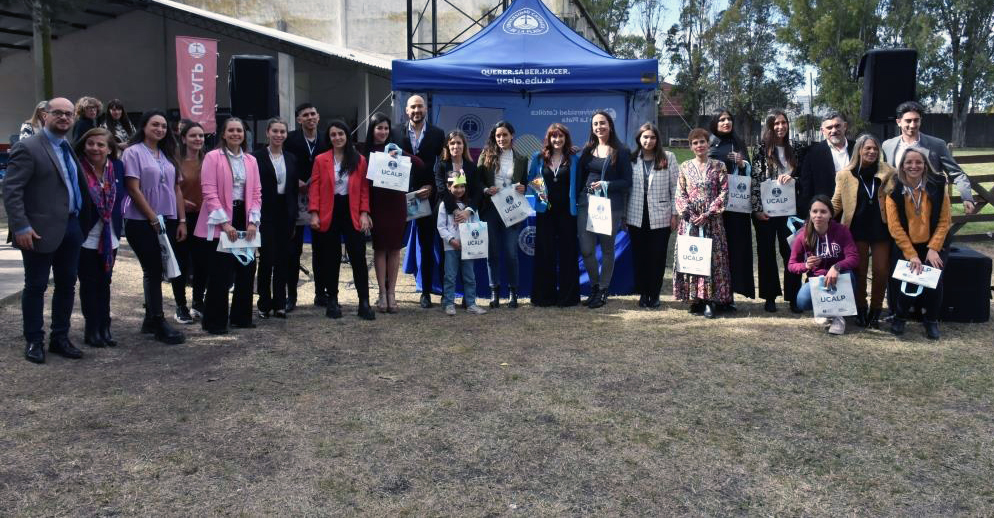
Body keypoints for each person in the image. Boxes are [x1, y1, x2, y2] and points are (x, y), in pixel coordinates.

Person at [3, 97, 90, 363]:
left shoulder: (67, 147)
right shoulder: (28, 148)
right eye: (58, 113)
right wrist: (21, 226)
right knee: (36, 286)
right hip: (37, 231)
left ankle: (60, 338)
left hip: (71, 227)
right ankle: (34, 340)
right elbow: (11, 190)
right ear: (44, 116)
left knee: (66, 284)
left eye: (68, 114)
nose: (64, 118)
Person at [121, 110, 187, 345]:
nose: (160, 129)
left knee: (159, 268)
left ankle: (150, 319)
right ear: (144, 126)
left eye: (163, 126)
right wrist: (152, 218)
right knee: (152, 269)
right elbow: (133, 188)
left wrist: (181, 220)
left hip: (167, 219)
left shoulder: (168, 154)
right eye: (155, 125)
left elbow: (177, 189)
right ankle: (159, 321)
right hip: (141, 221)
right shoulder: (133, 152)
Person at [194, 117, 262, 334]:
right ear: (223, 134)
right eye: (231, 130)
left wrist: (252, 222)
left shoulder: (251, 160)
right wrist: (225, 224)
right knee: (221, 272)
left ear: (244, 134)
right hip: (220, 220)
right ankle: (215, 321)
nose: (235, 134)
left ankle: (241, 318)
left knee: (246, 268)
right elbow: (209, 192)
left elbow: (256, 193)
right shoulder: (212, 157)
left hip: (244, 217)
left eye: (239, 130)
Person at [308, 119, 375, 320]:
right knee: (330, 257)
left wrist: (364, 212)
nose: (337, 138)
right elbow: (315, 188)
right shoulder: (321, 159)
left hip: (352, 210)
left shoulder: (359, 159)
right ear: (329, 138)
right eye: (333, 135)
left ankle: (364, 302)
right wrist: (314, 213)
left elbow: (364, 189)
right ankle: (332, 300)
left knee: (358, 256)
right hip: (329, 210)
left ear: (347, 136)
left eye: (341, 134)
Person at [360, 112, 424, 313]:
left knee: (395, 249)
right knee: (380, 249)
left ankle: (392, 293)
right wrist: (365, 211)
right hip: (377, 206)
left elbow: (420, 165)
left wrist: (401, 154)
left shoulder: (396, 151)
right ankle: (381, 293)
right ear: (372, 130)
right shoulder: (365, 152)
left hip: (397, 205)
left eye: (386, 128)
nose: (383, 132)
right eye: (379, 128)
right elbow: (363, 183)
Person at [885, 147, 952, 340]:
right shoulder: (893, 188)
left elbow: (944, 220)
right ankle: (900, 317)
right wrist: (911, 254)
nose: (914, 166)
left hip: (934, 245)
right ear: (902, 166)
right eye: (909, 162)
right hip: (907, 244)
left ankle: (931, 320)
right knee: (907, 279)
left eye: (918, 162)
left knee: (933, 280)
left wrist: (933, 248)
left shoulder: (938, 184)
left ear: (925, 165)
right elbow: (895, 226)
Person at [831, 133, 896, 329]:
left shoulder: (889, 172)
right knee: (859, 271)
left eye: (875, 149)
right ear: (859, 150)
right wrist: (819, 219)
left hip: (881, 229)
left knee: (881, 271)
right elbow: (836, 202)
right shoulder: (844, 174)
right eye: (867, 148)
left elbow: (895, 199)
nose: (872, 151)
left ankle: (876, 310)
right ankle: (860, 308)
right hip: (856, 229)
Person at [391, 95, 445, 308]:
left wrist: (432, 186)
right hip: (398, 196)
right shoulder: (395, 132)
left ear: (426, 110)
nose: (416, 110)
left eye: (420, 106)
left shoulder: (438, 134)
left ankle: (427, 292)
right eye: (413, 107)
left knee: (427, 244)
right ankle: (389, 292)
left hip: (426, 196)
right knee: (393, 245)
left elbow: (441, 165)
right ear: (406, 110)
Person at [673, 128, 732, 318]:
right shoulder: (684, 167)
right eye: (695, 143)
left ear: (708, 144)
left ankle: (710, 300)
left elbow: (724, 192)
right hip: (691, 223)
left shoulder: (719, 166)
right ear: (691, 147)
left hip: (712, 223)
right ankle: (695, 299)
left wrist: (708, 213)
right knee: (693, 259)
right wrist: (690, 214)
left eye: (702, 142)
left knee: (712, 261)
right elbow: (680, 193)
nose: (699, 145)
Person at [74, 128, 125, 348]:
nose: (95, 148)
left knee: (105, 282)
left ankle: (105, 326)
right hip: (86, 235)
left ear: (110, 149)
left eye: (101, 144)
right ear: (84, 146)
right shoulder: (77, 169)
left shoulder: (118, 168)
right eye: (91, 144)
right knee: (89, 283)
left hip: (109, 235)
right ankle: (92, 328)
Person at [576, 110, 632, 309]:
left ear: (610, 126)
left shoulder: (621, 150)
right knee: (587, 250)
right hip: (586, 204)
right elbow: (579, 174)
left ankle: (603, 290)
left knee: (608, 250)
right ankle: (594, 287)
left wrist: (605, 184)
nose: (599, 127)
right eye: (595, 124)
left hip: (610, 206)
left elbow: (627, 182)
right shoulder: (587, 150)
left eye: (602, 123)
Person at [752, 109, 805, 313]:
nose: (780, 127)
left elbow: (804, 177)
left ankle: (794, 297)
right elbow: (755, 180)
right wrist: (757, 209)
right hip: (765, 212)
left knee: (791, 252)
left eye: (783, 123)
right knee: (766, 253)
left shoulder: (797, 149)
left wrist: (795, 179)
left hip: (791, 211)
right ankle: (770, 296)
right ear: (769, 126)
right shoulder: (761, 149)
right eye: (775, 123)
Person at [882, 101, 976, 215]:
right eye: (908, 121)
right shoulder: (888, 145)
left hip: (930, 207)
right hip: (898, 207)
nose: (912, 125)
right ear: (898, 122)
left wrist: (967, 197)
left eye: (916, 120)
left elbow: (957, 174)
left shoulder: (937, 145)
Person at [787, 194, 860, 335]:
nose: (818, 215)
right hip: (818, 279)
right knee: (801, 301)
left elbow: (854, 258)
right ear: (809, 213)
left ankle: (838, 317)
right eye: (815, 211)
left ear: (831, 214)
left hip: (840, 277)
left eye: (823, 211)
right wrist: (806, 266)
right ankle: (825, 310)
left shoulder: (842, 230)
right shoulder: (803, 235)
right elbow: (791, 264)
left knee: (849, 275)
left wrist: (837, 266)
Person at [476, 121, 528, 308]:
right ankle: (494, 292)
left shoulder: (522, 158)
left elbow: (524, 183)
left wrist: (524, 187)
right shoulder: (486, 155)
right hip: (490, 210)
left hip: (512, 210)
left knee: (511, 252)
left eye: (504, 135)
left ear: (512, 135)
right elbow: (477, 182)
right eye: (498, 136)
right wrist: (485, 190)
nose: (501, 139)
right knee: (493, 252)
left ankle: (513, 292)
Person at [626, 122, 678, 309]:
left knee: (657, 257)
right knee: (640, 257)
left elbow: (675, 188)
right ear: (639, 139)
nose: (649, 140)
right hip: (635, 215)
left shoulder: (668, 158)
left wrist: (675, 214)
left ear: (657, 139)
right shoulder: (632, 159)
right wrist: (624, 216)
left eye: (652, 137)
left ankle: (654, 294)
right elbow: (626, 190)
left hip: (661, 215)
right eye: (645, 137)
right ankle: (643, 293)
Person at [529, 123, 580, 307]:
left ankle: (568, 297)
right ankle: (544, 297)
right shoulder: (538, 157)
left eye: (560, 136)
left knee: (568, 254)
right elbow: (532, 179)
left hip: (568, 213)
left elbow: (579, 182)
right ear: (548, 139)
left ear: (566, 138)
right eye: (553, 136)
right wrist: (542, 197)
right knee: (545, 254)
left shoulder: (573, 158)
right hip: (546, 212)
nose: (557, 140)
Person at [708, 109, 754, 309]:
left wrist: (743, 163)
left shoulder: (739, 143)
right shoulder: (708, 143)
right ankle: (711, 296)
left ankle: (729, 297)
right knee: (715, 251)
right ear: (714, 123)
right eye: (721, 119)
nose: (726, 122)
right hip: (714, 207)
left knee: (735, 250)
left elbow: (751, 172)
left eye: (729, 119)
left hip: (736, 207)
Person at [253, 118, 299, 319]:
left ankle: (280, 302)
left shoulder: (291, 158)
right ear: (268, 133)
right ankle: (264, 302)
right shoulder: (256, 157)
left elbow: (294, 190)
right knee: (267, 258)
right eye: (275, 131)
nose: (279, 135)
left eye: (283, 132)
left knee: (284, 259)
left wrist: (294, 217)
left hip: (285, 213)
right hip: (265, 212)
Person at [284, 103, 329, 309]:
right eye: (305, 115)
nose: (310, 117)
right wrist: (295, 182)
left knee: (321, 250)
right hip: (294, 198)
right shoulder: (289, 139)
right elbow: (281, 163)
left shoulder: (326, 138)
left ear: (318, 117)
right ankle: (291, 296)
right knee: (293, 250)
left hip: (320, 200)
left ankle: (321, 294)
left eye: (313, 113)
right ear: (299, 119)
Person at [436, 172, 488, 316]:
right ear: (448, 187)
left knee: (469, 276)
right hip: (451, 248)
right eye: (456, 186)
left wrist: (470, 240)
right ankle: (449, 303)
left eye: (462, 186)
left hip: (468, 248)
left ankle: (471, 303)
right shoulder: (444, 206)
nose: (459, 190)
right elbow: (441, 227)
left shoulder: (470, 207)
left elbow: (476, 225)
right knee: (450, 276)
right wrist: (451, 240)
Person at [176, 121, 209, 320]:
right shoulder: (175, 161)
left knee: (202, 262)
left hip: (204, 218)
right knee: (180, 263)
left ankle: (198, 301)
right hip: (181, 217)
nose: (198, 139)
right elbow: (170, 188)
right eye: (193, 136)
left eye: (201, 136)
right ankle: (181, 305)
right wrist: (180, 202)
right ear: (183, 139)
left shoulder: (209, 159)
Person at [798, 111, 854, 215]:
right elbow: (806, 188)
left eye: (838, 126)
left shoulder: (857, 149)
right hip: (826, 214)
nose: (834, 130)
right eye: (829, 127)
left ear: (845, 126)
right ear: (822, 131)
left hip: (856, 212)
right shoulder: (812, 154)